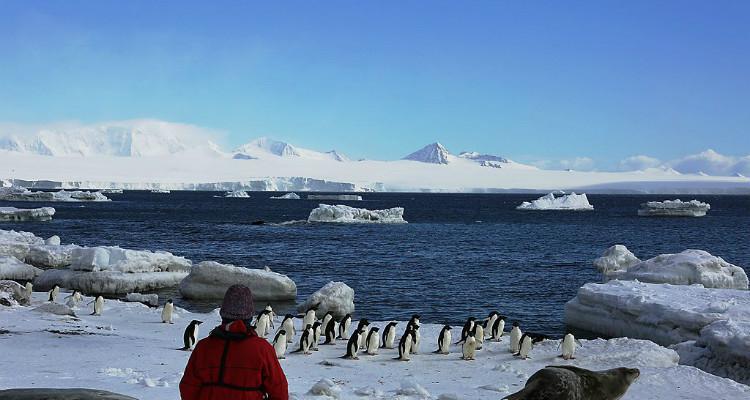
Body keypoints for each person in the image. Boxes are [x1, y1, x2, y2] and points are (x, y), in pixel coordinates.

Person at [180, 284, 288, 400]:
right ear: (250, 317)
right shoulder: (262, 348)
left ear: (223, 315)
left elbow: (188, 387)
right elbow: (279, 390)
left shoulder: (203, 347)